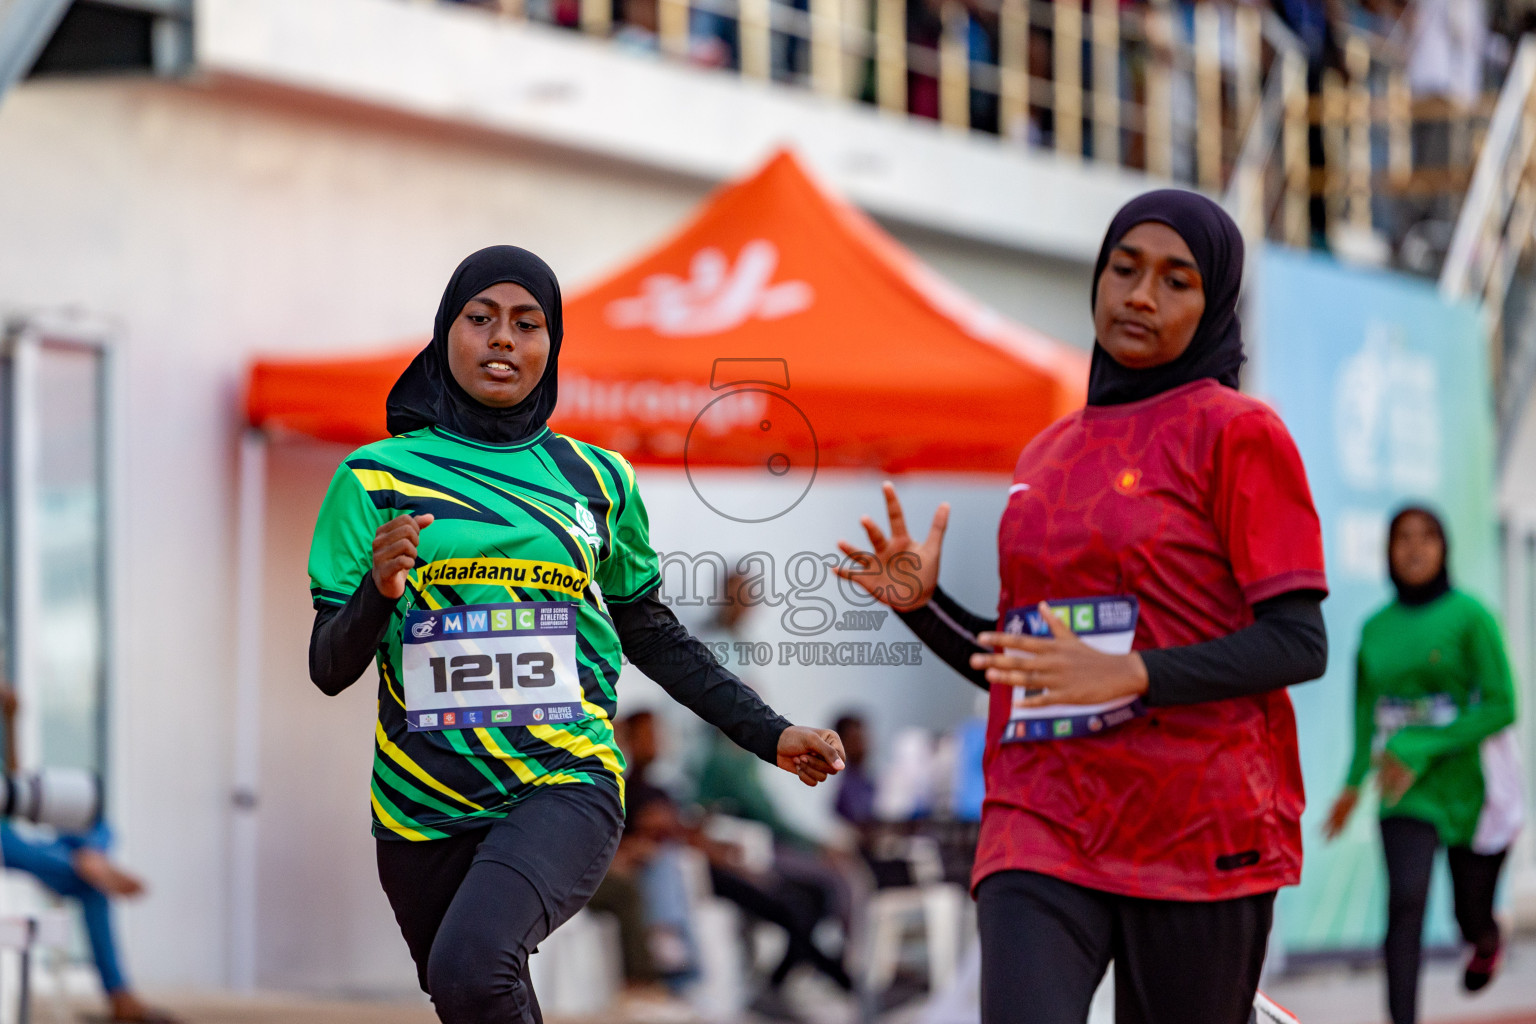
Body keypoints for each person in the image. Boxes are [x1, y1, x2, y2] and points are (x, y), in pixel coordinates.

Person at [306, 246, 845, 1024]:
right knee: (472, 994)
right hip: (420, 804)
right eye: (480, 319)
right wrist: (377, 593)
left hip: (564, 779)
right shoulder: (372, 480)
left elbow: (653, 635)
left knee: (475, 969)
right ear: (444, 333)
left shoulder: (598, 481)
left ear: (551, 344)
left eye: (527, 324)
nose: (503, 340)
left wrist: (771, 732)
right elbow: (328, 666)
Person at [834, 190, 1330, 1024]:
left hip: (1196, 826)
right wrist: (924, 607)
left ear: (1214, 307)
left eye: (1176, 281)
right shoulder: (1050, 450)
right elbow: (1036, 665)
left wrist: (1131, 673)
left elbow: (1297, 642)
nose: (1139, 295)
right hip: (1043, 814)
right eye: (1124, 269)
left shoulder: (1239, 434)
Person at [1324, 507, 1521, 1024]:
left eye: (1427, 537)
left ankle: (1485, 937)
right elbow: (1365, 716)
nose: (1415, 549)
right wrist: (1350, 787)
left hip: (1469, 788)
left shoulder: (1470, 617)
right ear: (1387, 552)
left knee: (1467, 913)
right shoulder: (1374, 630)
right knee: (1406, 900)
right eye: (1403, 539)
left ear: (1444, 548)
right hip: (1402, 786)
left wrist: (1422, 744)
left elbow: (1503, 706)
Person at [0, 686, 175, 1023]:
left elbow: (17, 791)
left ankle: (91, 856)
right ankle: (119, 995)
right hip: (6, 844)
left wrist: (10, 719)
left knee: (93, 823)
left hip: (12, 834)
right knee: (88, 880)